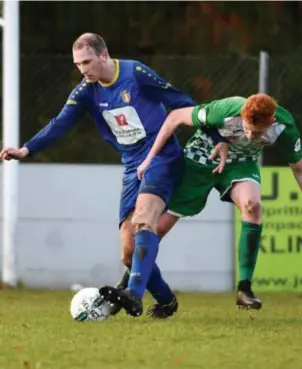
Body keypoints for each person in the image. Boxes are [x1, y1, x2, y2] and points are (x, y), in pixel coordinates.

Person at [0, 32, 200, 318]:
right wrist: (26, 149)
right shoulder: (86, 90)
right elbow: (60, 123)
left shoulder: (135, 73)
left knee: (144, 218)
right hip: (132, 164)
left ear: (103, 55)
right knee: (128, 253)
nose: (83, 70)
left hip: (161, 156)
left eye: (87, 62)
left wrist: (211, 131)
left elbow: (180, 100)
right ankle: (166, 301)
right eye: (78, 64)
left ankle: (133, 294)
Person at [113, 93, 302, 311]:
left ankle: (244, 289)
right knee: (157, 228)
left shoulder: (284, 127)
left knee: (253, 206)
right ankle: (129, 283)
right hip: (200, 160)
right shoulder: (226, 109)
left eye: (257, 133)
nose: (250, 135)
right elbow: (175, 117)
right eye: (246, 127)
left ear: (271, 121)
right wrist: (149, 159)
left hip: (240, 164)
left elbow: (301, 171)